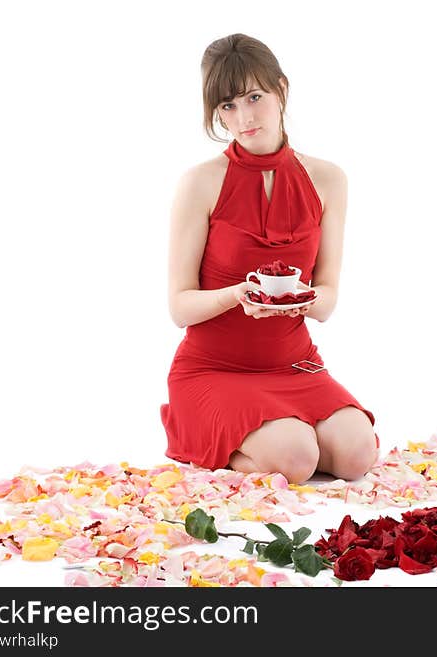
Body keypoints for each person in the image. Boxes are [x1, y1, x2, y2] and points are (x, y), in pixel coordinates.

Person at [159, 33, 379, 485]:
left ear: (282, 88)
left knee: (359, 454)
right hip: (214, 369)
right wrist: (238, 295)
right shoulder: (200, 183)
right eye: (227, 106)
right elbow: (180, 306)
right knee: (297, 457)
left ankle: (286, 436)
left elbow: (328, 298)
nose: (243, 118)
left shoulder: (328, 179)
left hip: (294, 364)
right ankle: (209, 434)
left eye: (254, 97)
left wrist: (301, 299)